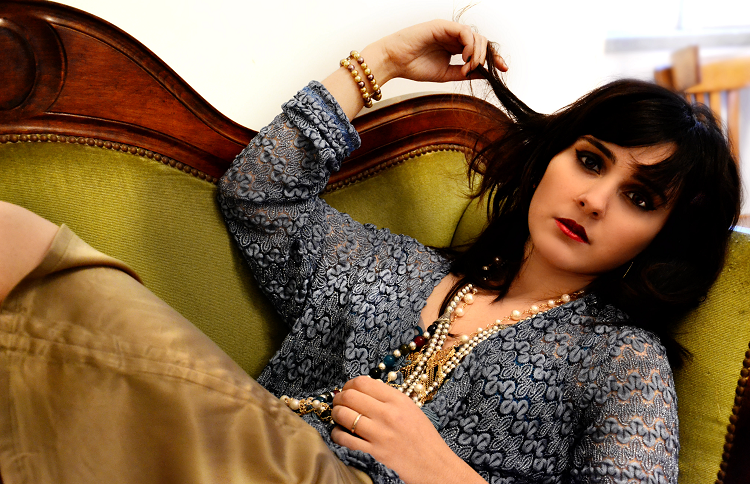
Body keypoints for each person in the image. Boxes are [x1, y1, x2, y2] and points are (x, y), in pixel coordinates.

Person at [0, 19, 740, 484]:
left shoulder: (621, 361)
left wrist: (438, 470)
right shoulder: (395, 269)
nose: (595, 199)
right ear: (552, 157)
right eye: (590, 160)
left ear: (663, 239)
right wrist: (379, 62)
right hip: (245, 452)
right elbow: (259, 197)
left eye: (641, 198)